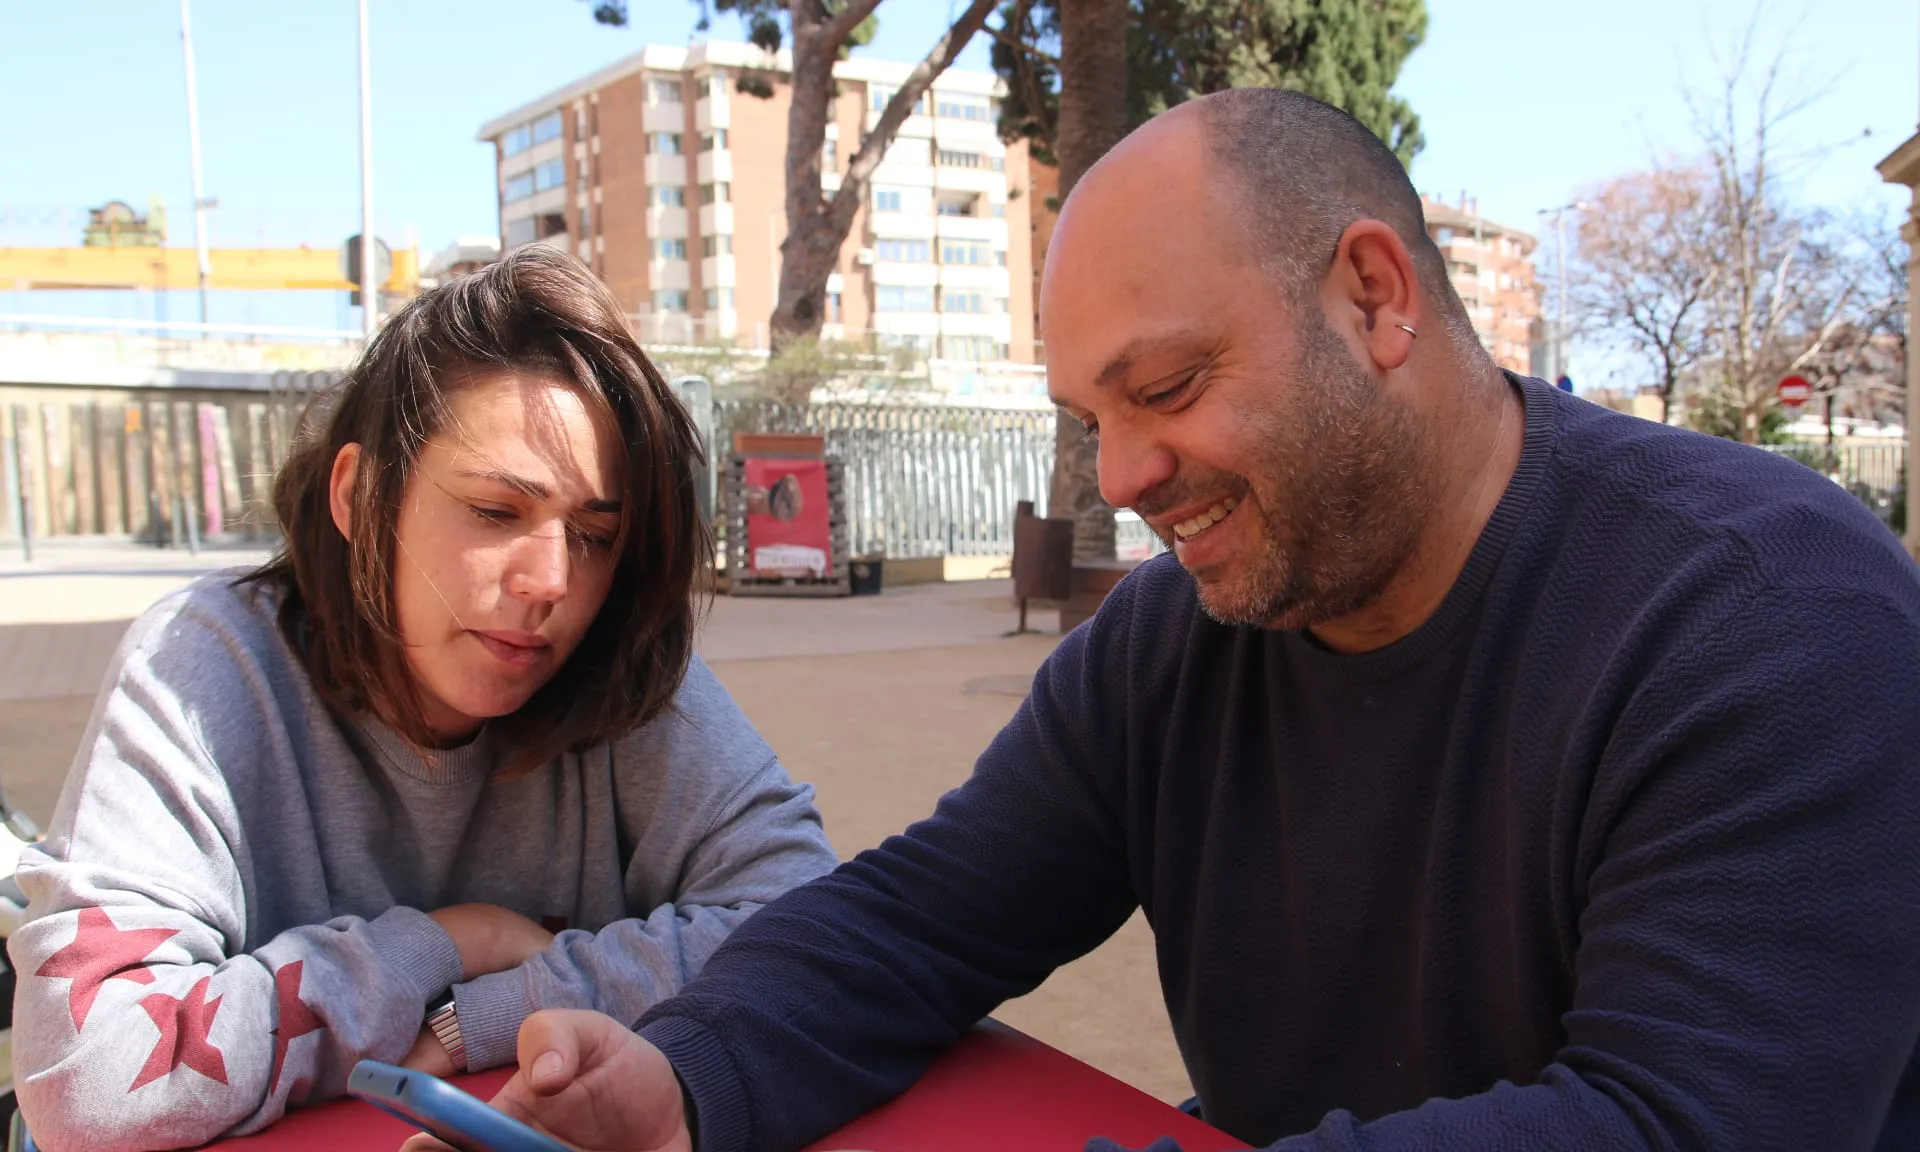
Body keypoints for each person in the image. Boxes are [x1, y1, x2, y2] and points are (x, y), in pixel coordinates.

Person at [413, 89, 1920, 1152]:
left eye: (1171, 386)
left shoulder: (1769, 620)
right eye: (1092, 415)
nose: (1124, 476)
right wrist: (683, 1080)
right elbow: (926, 915)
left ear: (1376, 299)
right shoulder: (1176, 642)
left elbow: (1696, 1121)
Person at [7, 246, 839, 1151]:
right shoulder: (204, 666)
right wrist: (450, 941)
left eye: (594, 534)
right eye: (494, 512)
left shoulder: (625, 667)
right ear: (361, 497)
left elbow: (814, 924)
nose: (552, 581)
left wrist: (483, 1014)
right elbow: (94, 1077)